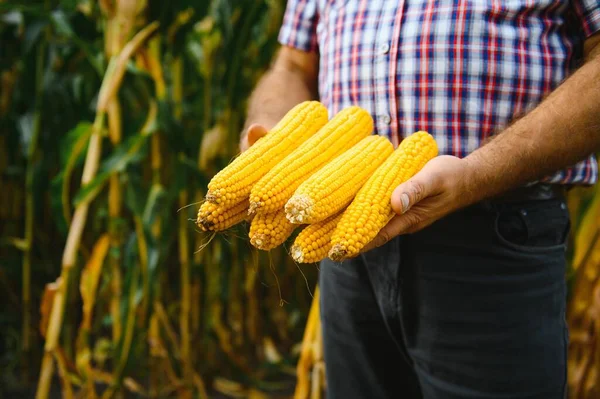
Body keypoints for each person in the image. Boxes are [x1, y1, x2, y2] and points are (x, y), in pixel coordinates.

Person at [240, 1, 600, 398]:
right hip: (340, 239)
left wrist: (477, 173)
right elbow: (291, 65)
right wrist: (274, 138)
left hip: (495, 240)